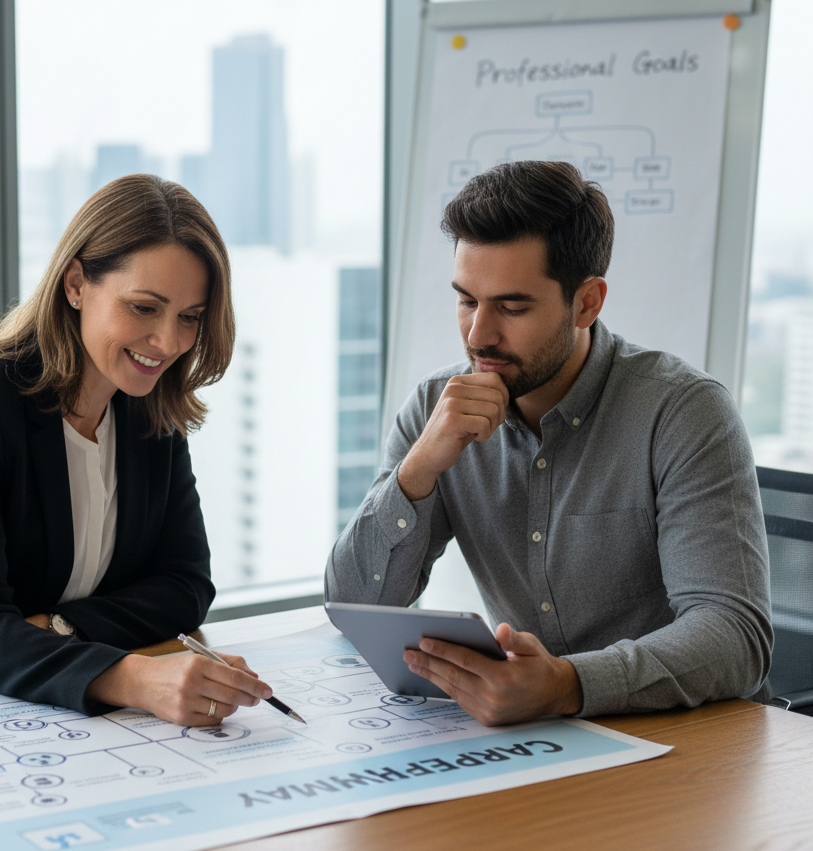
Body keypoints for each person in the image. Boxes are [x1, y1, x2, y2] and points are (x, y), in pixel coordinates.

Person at [325, 161, 772, 726]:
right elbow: (351, 607)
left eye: (512, 308)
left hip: (683, 744)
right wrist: (417, 472)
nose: (478, 335)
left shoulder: (683, 412)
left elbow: (734, 636)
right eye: (466, 300)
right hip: (538, 745)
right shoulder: (435, 408)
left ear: (587, 302)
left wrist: (567, 684)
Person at [0, 174, 273, 725]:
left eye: (189, 317)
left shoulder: (150, 415)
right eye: (144, 308)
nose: (168, 342)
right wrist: (133, 678)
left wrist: (57, 626)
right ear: (75, 283)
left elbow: (185, 585)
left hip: (40, 712)